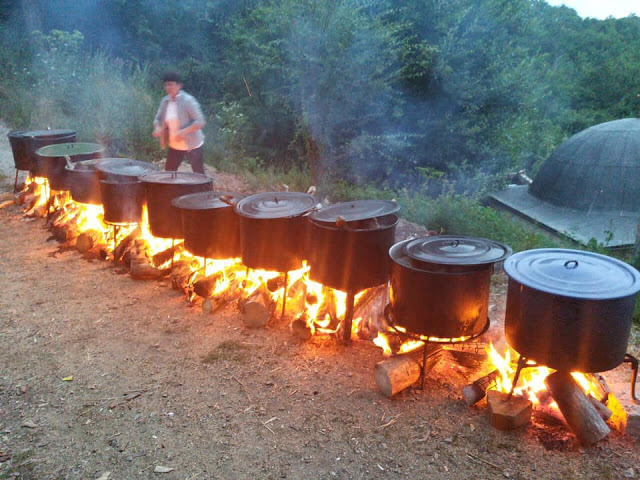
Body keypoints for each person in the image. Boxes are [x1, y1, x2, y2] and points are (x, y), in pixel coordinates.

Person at [152, 71, 206, 174]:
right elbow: (157, 119)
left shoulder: (188, 101)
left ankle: (205, 190)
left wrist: (183, 131)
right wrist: (158, 127)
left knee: (199, 174)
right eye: (166, 85)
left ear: (179, 86)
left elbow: (200, 121)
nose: (168, 87)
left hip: (192, 144)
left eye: (171, 84)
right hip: (174, 145)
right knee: (169, 173)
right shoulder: (165, 101)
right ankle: (172, 190)